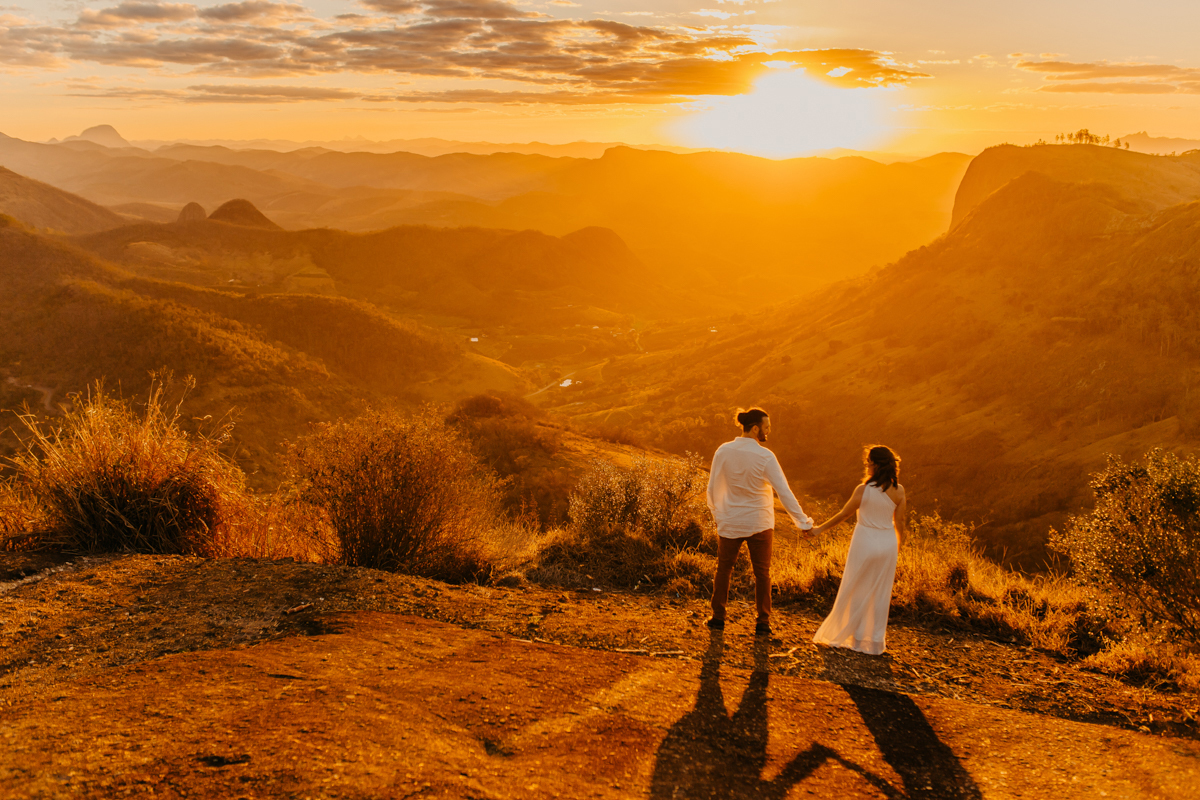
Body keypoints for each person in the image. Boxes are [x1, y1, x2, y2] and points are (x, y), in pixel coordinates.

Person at [706, 407, 814, 636]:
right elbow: (783, 492)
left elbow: (713, 487)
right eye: (766, 427)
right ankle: (763, 622)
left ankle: (718, 618)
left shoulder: (723, 451)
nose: (768, 431)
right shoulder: (765, 456)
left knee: (724, 569)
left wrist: (719, 516)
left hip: (731, 521)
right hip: (759, 523)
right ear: (755, 428)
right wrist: (803, 522)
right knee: (762, 573)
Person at [811, 445, 908, 655]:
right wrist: (898, 547)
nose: (867, 466)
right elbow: (899, 522)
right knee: (880, 593)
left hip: (865, 540)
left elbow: (844, 514)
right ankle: (874, 642)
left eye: (868, 462)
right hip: (888, 543)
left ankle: (854, 637)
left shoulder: (863, 489)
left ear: (875, 465)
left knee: (855, 588)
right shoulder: (899, 490)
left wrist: (819, 529)